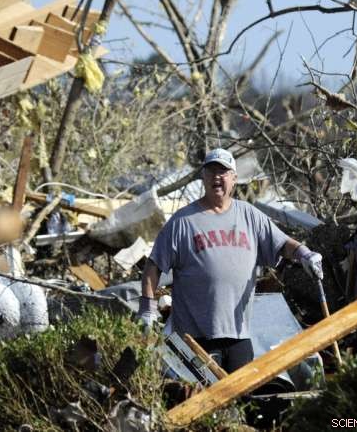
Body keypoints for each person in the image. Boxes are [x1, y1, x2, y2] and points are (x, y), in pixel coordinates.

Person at [137, 148, 324, 373]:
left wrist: (305, 254)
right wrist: (147, 309)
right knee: (201, 400)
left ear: (234, 179)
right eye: (211, 171)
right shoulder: (182, 222)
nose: (217, 176)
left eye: (223, 171)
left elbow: (282, 243)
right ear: (203, 177)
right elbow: (153, 266)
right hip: (195, 337)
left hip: (239, 335)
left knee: (241, 401)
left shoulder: (250, 216)